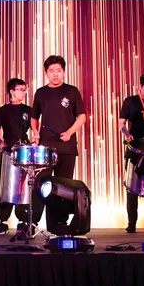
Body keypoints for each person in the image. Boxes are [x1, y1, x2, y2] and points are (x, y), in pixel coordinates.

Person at [30, 55, 87, 231]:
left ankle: (58, 224)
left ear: (64, 72)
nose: (55, 74)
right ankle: (32, 222)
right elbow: (34, 117)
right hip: (45, 147)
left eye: (58, 71)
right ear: (46, 73)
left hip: (67, 147)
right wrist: (36, 133)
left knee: (63, 187)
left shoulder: (72, 91)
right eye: (51, 71)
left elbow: (82, 117)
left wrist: (70, 132)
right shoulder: (41, 93)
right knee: (41, 183)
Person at [118, 72, 144, 233]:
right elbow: (121, 123)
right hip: (135, 146)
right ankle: (131, 223)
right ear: (140, 87)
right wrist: (126, 134)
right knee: (132, 188)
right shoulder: (130, 101)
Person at [0, 78, 32, 235]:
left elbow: (35, 129)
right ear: (12, 91)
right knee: (5, 185)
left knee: (24, 186)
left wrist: (35, 139)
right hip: (8, 150)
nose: (23, 92)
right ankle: (3, 223)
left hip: (25, 152)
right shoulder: (3, 110)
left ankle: (23, 223)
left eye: (25, 90)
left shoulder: (28, 110)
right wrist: (0, 142)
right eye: (20, 89)